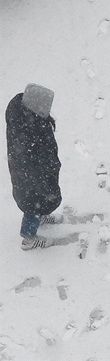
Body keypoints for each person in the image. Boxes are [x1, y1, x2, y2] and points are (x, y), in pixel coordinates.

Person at [6, 84, 63, 250]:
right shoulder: (30, 132)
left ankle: (42, 214)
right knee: (33, 203)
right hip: (31, 179)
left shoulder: (23, 118)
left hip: (30, 175)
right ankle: (29, 238)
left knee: (38, 201)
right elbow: (36, 159)